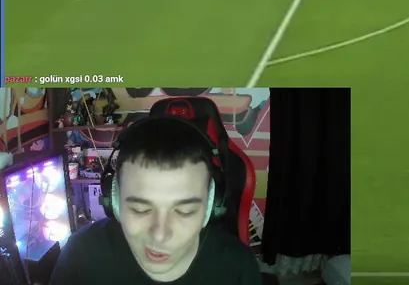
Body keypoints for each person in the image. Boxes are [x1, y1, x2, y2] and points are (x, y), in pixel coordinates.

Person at [50, 116, 260, 284]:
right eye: (140, 209)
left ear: (211, 205)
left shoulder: (237, 267)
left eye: (185, 211)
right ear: (114, 200)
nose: (160, 235)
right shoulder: (80, 256)